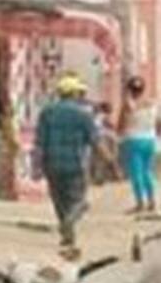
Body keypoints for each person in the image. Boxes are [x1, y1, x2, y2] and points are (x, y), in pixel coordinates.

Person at [35, 74, 108, 260]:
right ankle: (69, 224)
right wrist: (110, 161)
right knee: (79, 202)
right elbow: (95, 142)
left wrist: (37, 166)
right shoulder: (84, 115)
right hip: (75, 164)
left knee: (59, 201)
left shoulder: (47, 112)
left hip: (52, 164)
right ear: (74, 94)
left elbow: (40, 143)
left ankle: (68, 238)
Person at [118, 76, 159, 214]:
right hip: (150, 140)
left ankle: (140, 203)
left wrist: (119, 134)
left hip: (134, 140)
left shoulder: (129, 105)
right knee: (148, 171)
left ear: (130, 90)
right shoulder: (152, 103)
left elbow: (121, 124)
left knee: (137, 173)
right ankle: (152, 201)